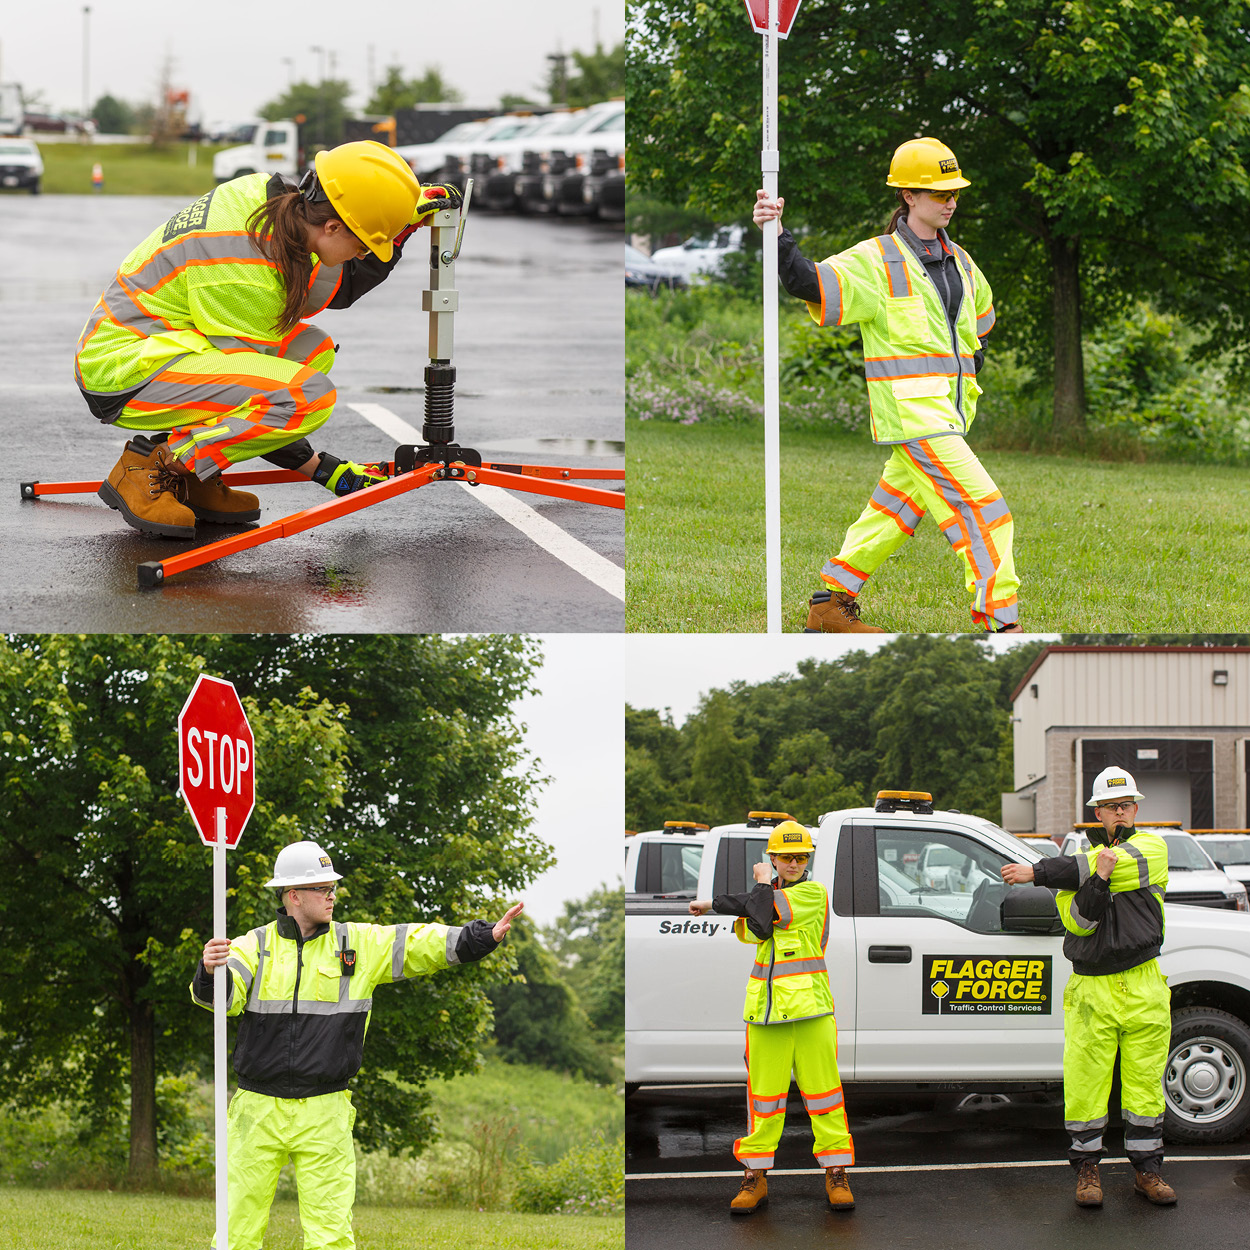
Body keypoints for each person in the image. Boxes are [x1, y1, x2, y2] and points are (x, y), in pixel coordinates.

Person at [76, 141, 461, 539]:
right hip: (122, 371)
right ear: (333, 226)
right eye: (363, 244)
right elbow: (270, 401)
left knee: (313, 352)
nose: (361, 254)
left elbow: (332, 286)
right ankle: (156, 466)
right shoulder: (243, 269)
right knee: (308, 396)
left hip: (166, 344)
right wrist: (324, 470)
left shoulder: (275, 204)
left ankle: (195, 474)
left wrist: (397, 226)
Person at [191, 839, 523, 1249]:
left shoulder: (358, 944)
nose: (332, 895)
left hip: (325, 1110)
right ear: (293, 895)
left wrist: (481, 936)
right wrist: (210, 971)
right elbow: (223, 1001)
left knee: (330, 1234)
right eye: (322, 888)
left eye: (333, 888)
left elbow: (417, 942)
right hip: (256, 1109)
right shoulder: (252, 946)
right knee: (235, 1230)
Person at [753, 137, 1020, 634]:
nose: (950, 201)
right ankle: (1002, 625)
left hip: (950, 416)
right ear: (908, 196)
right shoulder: (875, 259)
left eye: (954, 192)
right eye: (938, 193)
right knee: (986, 511)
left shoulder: (962, 262)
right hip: (915, 417)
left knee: (890, 513)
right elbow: (806, 282)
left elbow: (980, 324)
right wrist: (778, 232)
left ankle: (830, 606)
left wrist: (971, 362)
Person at [1000, 767, 1175, 1207]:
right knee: (1086, 1085)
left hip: (1143, 982)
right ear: (1098, 813)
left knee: (1144, 1085)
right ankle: (1087, 1172)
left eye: (1126, 805)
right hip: (1091, 989)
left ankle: (1148, 1171)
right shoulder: (1076, 867)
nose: (1120, 813)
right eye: (1111, 807)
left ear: (1135, 809)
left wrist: (1040, 872)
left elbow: (1115, 865)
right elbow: (1080, 923)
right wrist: (1096, 879)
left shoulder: (1153, 848)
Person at [688, 820, 854, 1215]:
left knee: (825, 1098)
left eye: (801, 857)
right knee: (763, 1102)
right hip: (765, 1017)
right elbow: (759, 924)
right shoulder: (764, 896)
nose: (794, 863)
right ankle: (755, 1177)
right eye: (786, 857)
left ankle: (836, 1173)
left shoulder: (813, 894)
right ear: (774, 857)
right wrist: (716, 903)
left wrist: (758, 885)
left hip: (811, 1013)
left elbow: (760, 916)